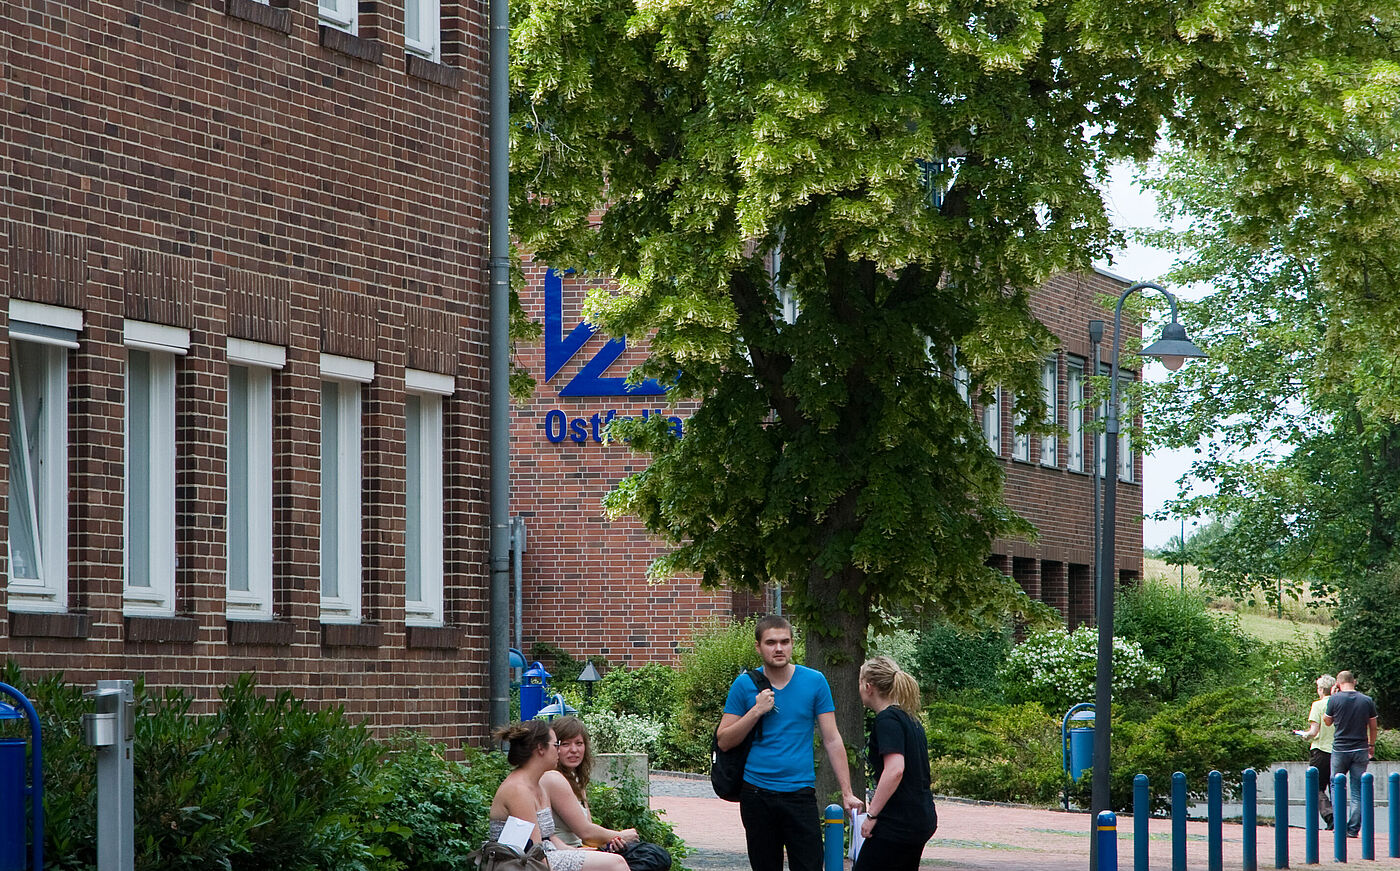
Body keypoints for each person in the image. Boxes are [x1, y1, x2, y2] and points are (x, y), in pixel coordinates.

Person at [717, 614, 864, 871]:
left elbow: (832, 738)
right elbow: (725, 741)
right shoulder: (744, 685)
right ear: (758, 646)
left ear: (792, 644)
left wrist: (847, 791)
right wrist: (756, 711)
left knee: (809, 866)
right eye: (771, 642)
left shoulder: (814, 681)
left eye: (785, 642)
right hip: (756, 794)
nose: (778, 648)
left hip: (800, 794)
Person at [487, 720, 629, 871]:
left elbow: (548, 837)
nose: (559, 751)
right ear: (541, 749)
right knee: (616, 863)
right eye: (556, 745)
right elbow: (535, 855)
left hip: (543, 855)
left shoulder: (539, 784)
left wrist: (574, 851)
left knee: (608, 858)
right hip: (521, 864)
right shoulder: (518, 790)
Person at [853, 656, 937, 871]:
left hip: (898, 822)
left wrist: (872, 815)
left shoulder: (887, 720)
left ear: (868, 686)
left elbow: (895, 770)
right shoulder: (910, 719)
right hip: (920, 817)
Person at [542, 716, 640, 851]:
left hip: (580, 849)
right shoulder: (552, 778)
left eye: (579, 743)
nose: (574, 750)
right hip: (563, 853)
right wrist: (621, 835)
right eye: (565, 744)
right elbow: (585, 832)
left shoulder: (575, 779)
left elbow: (589, 836)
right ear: (554, 747)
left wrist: (611, 843)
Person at [1324, 670, 1379, 838]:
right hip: (1360, 748)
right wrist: (1371, 744)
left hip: (1340, 748)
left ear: (1338, 684)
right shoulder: (1367, 701)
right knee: (1357, 789)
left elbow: (1327, 722)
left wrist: (1332, 696)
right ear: (1354, 682)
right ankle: (1353, 829)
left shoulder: (1334, 699)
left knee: (1336, 786)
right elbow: (1373, 726)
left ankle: (1339, 825)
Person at [1298, 674, 1337, 829]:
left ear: (1321, 689)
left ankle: (1329, 815)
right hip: (1338, 750)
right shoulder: (1339, 703)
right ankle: (1339, 816)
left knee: (1315, 786)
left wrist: (1304, 734)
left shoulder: (1318, 705)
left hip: (1320, 750)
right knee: (1335, 785)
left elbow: (1314, 731)